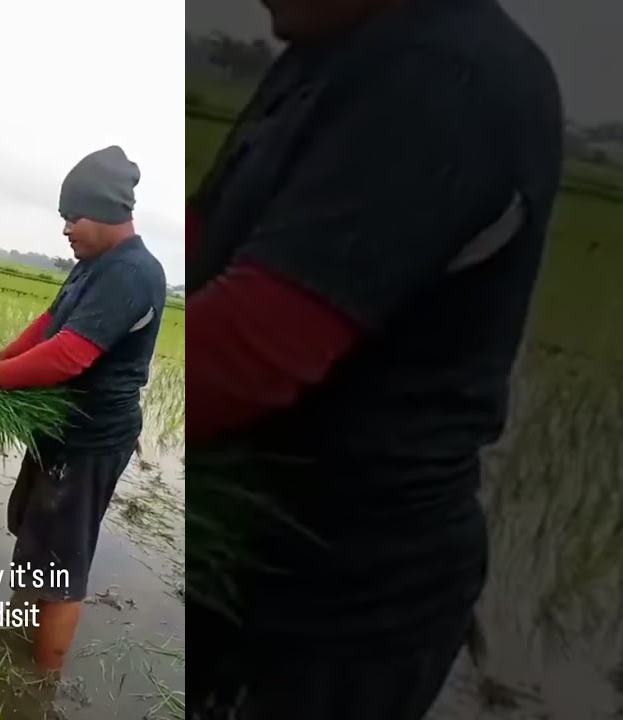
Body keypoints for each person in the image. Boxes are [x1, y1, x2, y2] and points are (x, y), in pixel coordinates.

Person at [184, 0, 562, 717]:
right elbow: (205, 244)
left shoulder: (448, 75)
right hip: (246, 554)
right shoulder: (321, 58)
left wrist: (85, 387)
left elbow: (248, 352)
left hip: (343, 603)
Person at [0, 146, 167, 673]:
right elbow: (49, 325)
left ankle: (39, 687)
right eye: (63, 217)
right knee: (35, 537)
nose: (67, 228)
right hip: (60, 432)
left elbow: (71, 353)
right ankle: (17, 645)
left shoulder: (133, 272)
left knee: (61, 567)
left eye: (73, 216)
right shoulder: (91, 267)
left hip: (91, 441)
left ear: (109, 212)